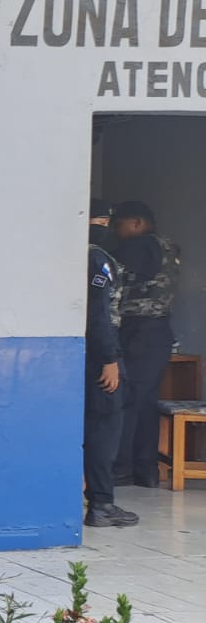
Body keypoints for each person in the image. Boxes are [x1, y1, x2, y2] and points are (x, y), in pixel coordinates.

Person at [108, 200, 181, 489]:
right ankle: (145, 468)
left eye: (119, 225)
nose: (117, 232)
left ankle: (122, 467)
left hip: (139, 331)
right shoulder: (168, 246)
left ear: (136, 222)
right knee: (145, 401)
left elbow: (111, 274)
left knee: (128, 400)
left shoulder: (138, 246)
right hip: (157, 333)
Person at [83, 200, 138, 527]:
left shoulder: (68, 255)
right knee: (105, 428)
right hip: (99, 356)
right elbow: (99, 313)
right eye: (101, 222)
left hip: (80, 354)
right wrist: (109, 358)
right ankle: (102, 503)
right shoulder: (97, 258)